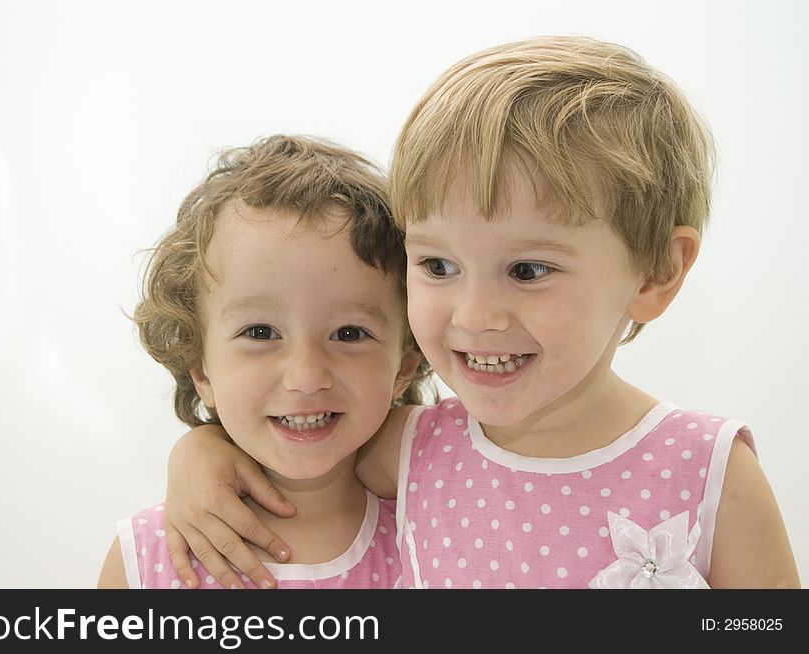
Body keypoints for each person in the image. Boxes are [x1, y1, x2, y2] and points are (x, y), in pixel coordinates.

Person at [160, 37, 800, 588]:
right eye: (438, 266)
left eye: (528, 270)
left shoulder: (707, 468)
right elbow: (300, 433)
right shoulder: (409, 448)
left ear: (657, 271)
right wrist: (199, 451)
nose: (478, 313)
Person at [97, 134, 432, 589]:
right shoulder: (145, 557)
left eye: (349, 334)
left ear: (405, 364)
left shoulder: (442, 531)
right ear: (201, 369)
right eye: (260, 333)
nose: (307, 376)